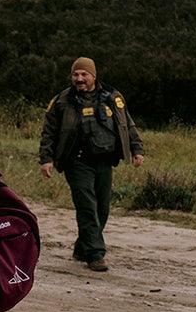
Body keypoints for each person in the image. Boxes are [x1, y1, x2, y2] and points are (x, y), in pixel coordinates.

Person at [39, 57, 144, 272]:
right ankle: (95, 255)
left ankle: (82, 247)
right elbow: (49, 132)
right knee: (87, 206)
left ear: (93, 76)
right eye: (75, 74)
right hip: (76, 162)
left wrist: (137, 149)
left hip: (104, 161)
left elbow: (127, 124)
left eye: (83, 74)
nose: (79, 79)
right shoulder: (62, 101)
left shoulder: (112, 97)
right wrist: (46, 159)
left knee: (102, 207)